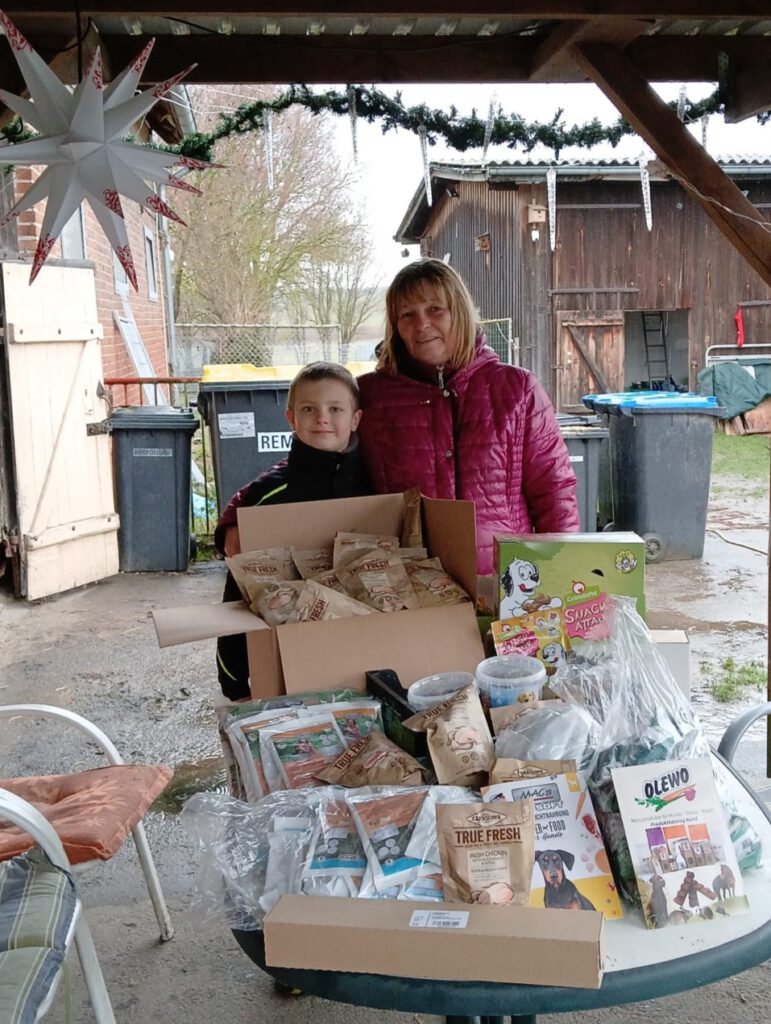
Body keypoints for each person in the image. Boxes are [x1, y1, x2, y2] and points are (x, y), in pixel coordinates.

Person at [357, 258, 579, 577]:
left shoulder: (517, 389)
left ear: (458, 311)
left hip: (507, 581)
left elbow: (554, 488)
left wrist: (561, 573)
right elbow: (326, 459)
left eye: (435, 309)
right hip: (409, 586)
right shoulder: (370, 396)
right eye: (407, 314)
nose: (422, 324)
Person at [214, 361, 370, 700]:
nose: (322, 418)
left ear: (355, 418)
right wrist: (235, 684)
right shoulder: (267, 497)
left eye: (335, 408)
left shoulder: (377, 487)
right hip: (289, 668)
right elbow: (237, 597)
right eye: (309, 409)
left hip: (366, 662)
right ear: (291, 418)